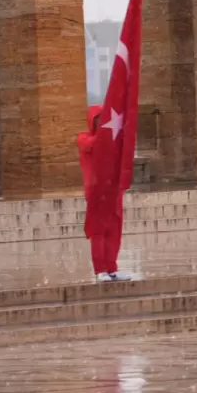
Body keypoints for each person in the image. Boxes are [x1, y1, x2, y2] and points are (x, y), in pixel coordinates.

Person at [77, 105, 131, 283]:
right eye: (99, 119)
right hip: (96, 192)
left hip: (113, 191)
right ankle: (101, 269)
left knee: (113, 231)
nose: (103, 123)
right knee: (98, 232)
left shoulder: (113, 140)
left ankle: (112, 268)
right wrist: (109, 132)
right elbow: (93, 145)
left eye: (106, 119)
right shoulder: (84, 138)